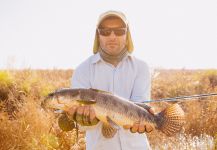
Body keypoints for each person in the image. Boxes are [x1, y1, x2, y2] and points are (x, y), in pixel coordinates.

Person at [66, 10, 154, 150]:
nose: (112, 36)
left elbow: (140, 105)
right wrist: (85, 119)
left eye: (119, 31)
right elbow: (82, 124)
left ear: (127, 34)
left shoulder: (141, 67)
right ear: (97, 35)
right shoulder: (82, 70)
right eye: (105, 31)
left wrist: (146, 122)